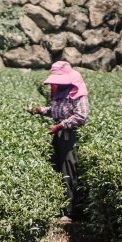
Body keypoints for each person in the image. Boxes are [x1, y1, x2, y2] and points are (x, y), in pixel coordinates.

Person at [28, 61, 89, 219]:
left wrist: (61, 126)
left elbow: (81, 116)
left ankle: (69, 211)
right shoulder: (60, 92)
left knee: (68, 170)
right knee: (57, 168)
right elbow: (57, 111)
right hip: (60, 134)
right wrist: (40, 110)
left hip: (71, 136)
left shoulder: (77, 93)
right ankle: (57, 206)